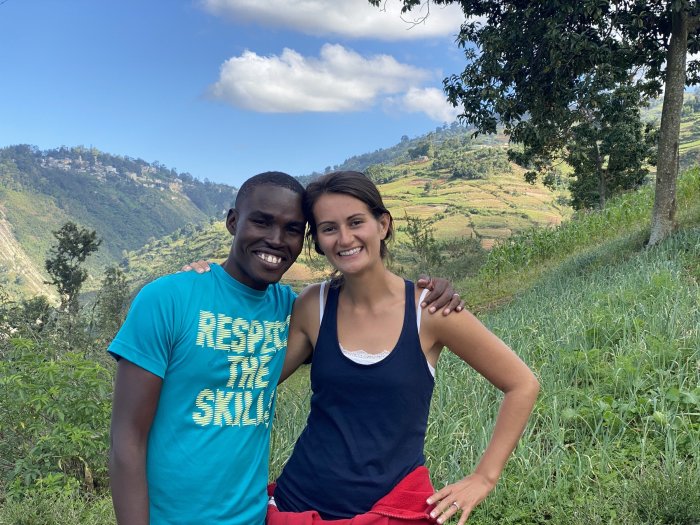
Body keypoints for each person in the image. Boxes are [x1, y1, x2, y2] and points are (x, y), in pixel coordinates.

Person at [108, 171, 462, 525]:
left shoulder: (291, 309)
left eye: (292, 229)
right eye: (261, 222)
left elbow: (360, 345)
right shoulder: (167, 299)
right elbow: (127, 438)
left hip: (255, 515)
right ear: (233, 221)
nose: (276, 239)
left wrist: (429, 294)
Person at [267, 171, 540, 525]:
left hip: (389, 511)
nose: (345, 238)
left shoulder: (430, 310)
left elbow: (521, 384)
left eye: (356, 222)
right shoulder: (313, 305)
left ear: (383, 224)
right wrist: (208, 282)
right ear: (317, 240)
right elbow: (256, 380)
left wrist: (484, 477)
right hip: (299, 505)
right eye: (329, 228)